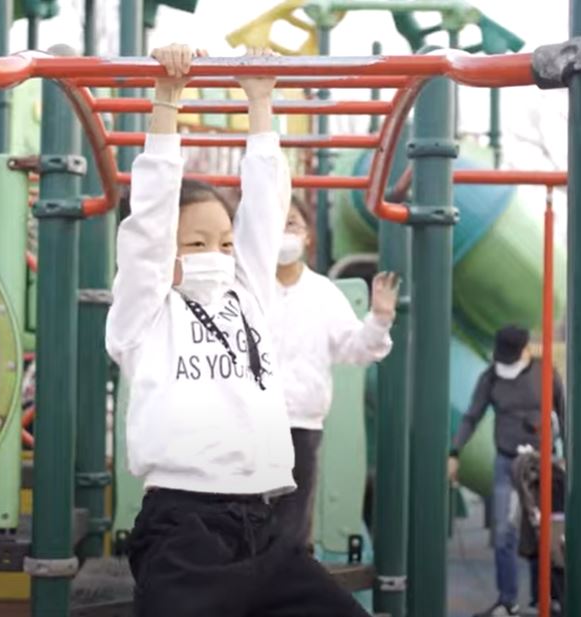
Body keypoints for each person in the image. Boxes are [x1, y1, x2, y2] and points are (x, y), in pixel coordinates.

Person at [105, 44, 368, 617]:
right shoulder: (145, 316)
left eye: (224, 243)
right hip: (185, 529)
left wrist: (260, 100)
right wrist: (167, 99)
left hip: (263, 522)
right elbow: (148, 223)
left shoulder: (249, 292)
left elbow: (267, 206)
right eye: (196, 244)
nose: (217, 254)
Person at [271, 197, 398, 549]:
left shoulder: (322, 293)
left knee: (293, 525)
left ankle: (288, 593)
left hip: (301, 423)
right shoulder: (249, 289)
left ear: (308, 236)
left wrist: (380, 319)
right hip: (251, 421)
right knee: (244, 519)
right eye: (276, 223)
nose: (285, 233)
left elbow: (356, 348)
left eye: (292, 224)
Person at [448, 325, 566, 617]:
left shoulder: (546, 373)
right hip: (507, 463)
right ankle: (507, 600)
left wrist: (570, 458)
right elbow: (471, 416)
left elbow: (565, 413)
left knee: (544, 533)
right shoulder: (491, 377)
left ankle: (544, 598)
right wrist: (454, 452)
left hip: (544, 464)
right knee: (504, 531)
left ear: (527, 350)